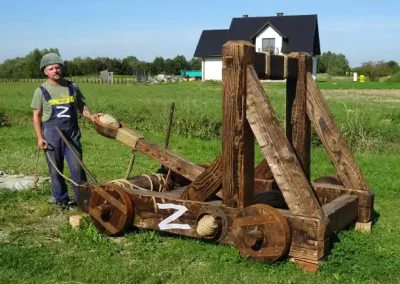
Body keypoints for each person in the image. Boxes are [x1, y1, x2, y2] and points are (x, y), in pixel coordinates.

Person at [31, 53, 102, 210]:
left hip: (72, 134)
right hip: (51, 135)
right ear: (45, 71)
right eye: (51, 68)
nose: (55, 70)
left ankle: (83, 200)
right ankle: (61, 199)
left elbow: (81, 105)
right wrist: (39, 137)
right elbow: (36, 115)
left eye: (58, 67)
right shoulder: (41, 91)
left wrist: (90, 116)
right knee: (55, 169)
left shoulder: (72, 87)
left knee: (77, 168)